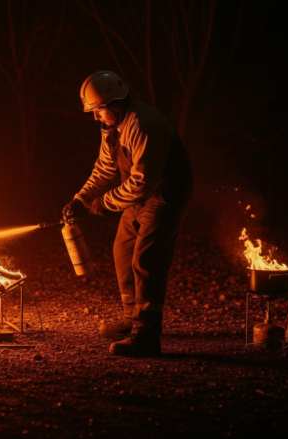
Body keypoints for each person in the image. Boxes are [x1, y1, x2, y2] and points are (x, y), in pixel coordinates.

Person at [63, 71, 193, 357]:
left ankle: (147, 334)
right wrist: (81, 199)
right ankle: (131, 318)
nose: (95, 117)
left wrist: (103, 203)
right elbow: (106, 168)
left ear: (114, 103)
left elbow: (142, 182)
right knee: (122, 249)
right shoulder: (112, 126)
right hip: (141, 192)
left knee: (147, 257)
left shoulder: (142, 126)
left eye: (97, 111)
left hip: (165, 192)